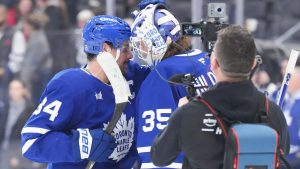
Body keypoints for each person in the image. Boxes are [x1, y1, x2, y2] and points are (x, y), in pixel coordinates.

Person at [150, 25, 290, 169]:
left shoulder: (188, 113)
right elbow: (281, 156)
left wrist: (177, 116)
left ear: (214, 63)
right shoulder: (272, 111)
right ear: (254, 63)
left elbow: (159, 157)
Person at [21, 15, 150, 169]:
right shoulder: (69, 85)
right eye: (125, 48)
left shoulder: (133, 75)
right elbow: (31, 142)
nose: (130, 55)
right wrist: (82, 144)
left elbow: (167, 74)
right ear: (106, 48)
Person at [130, 3, 215, 168]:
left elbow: (156, 155)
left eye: (142, 44)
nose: (140, 50)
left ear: (157, 40)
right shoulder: (207, 60)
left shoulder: (161, 74)